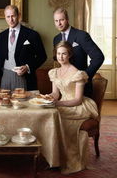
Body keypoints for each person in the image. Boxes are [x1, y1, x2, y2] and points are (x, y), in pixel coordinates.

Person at [47, 41, 98, 174]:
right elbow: (56, 94)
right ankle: (54, 158)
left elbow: (77, 99)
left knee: (60, 119)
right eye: (58, 54)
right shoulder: (55, 72)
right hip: (62, 103)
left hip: (77, 106)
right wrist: (48, 97)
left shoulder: (77, 73)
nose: (61, 57)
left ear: (69, 55)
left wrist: (58, 104)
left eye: (64, 54)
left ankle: (69, 159)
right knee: (48, 117)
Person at [53, 7, 104, 98]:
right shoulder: (56, 39)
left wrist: (85, 76)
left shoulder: (81, 35)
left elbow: (98, 57)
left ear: (67, 19)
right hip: (65, 90)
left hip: (82, 88)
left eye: (62, 20)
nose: (59, 23)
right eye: (56, 21)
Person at [0, 5, 47, 91]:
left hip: (24, 77)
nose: (11, 19)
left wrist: (27, 67)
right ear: (5, 18)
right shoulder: (1, 36)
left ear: (19, 15)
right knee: (5, 103)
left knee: (23, 103)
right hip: (5, 77)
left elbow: (42, 56)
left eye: (13, 16)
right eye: (8, 17)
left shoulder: (32, 35)